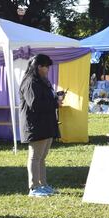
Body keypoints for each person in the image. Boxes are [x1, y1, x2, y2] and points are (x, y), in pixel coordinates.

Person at [19, 54, 63, 197]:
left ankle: (43, 184)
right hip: (35, 124)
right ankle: (34, 187)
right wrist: (55, 103)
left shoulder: (43, 81)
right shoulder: (30, 82)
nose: (48, 69)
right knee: (35, 157)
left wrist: (56, 98)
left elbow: (45, 99)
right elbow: (35, 104)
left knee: (42, 157)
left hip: (46, 123)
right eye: (46, 66)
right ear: (39, 67)